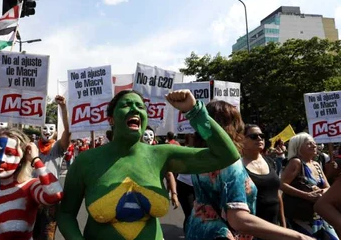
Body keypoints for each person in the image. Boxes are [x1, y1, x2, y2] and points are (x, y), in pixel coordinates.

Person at [57, 90, 242, 240]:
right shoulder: (86, 161)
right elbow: (65, 214)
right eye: (126, 105)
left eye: (140, 107)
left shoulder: (162, 154)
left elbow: (226, 155)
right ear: (111, 119)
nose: (135, 109)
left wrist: (194, 111)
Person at [186, 100, 311, 240]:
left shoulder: (201, 157)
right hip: (224, 234)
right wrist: (298, 236)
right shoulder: (230, 164)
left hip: (197, 231)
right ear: (232, 127)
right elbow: (238, 219)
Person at [280, 133, 338, 240]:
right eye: (309, 143)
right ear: (298, 148)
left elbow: (327, 187)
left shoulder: (316, 164)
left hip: (320, 215)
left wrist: (321, 191)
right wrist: (306, 195)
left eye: (314, 143)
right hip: (302, 216)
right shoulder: (296, 163)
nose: (314, 145)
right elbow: (282, 184)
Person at [33, 95, 71, 240]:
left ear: (55, 131)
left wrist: (63, 108)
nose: (47, 131)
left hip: (49, 199)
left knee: (46, 235)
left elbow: (68, 131)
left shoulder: (58, 147)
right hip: (31, 197)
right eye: (44, 128)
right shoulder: (32, 145)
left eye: (50, 129)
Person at [241, 124, 286, 227]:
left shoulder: (270, 161)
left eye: (262, 135)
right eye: (254, 136)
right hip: (253, 227)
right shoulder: (238, 166)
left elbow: (277, 194)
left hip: (275, 226)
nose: (260, 138)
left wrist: (283, 224)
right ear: (242, 140)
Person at [141, 126, 179, 210]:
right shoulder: (134, 152)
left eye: (151, 135)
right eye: (145, 135)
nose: (149, 138)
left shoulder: (159, 153)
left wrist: (174, 194)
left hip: (155, 193)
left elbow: (169, 174)